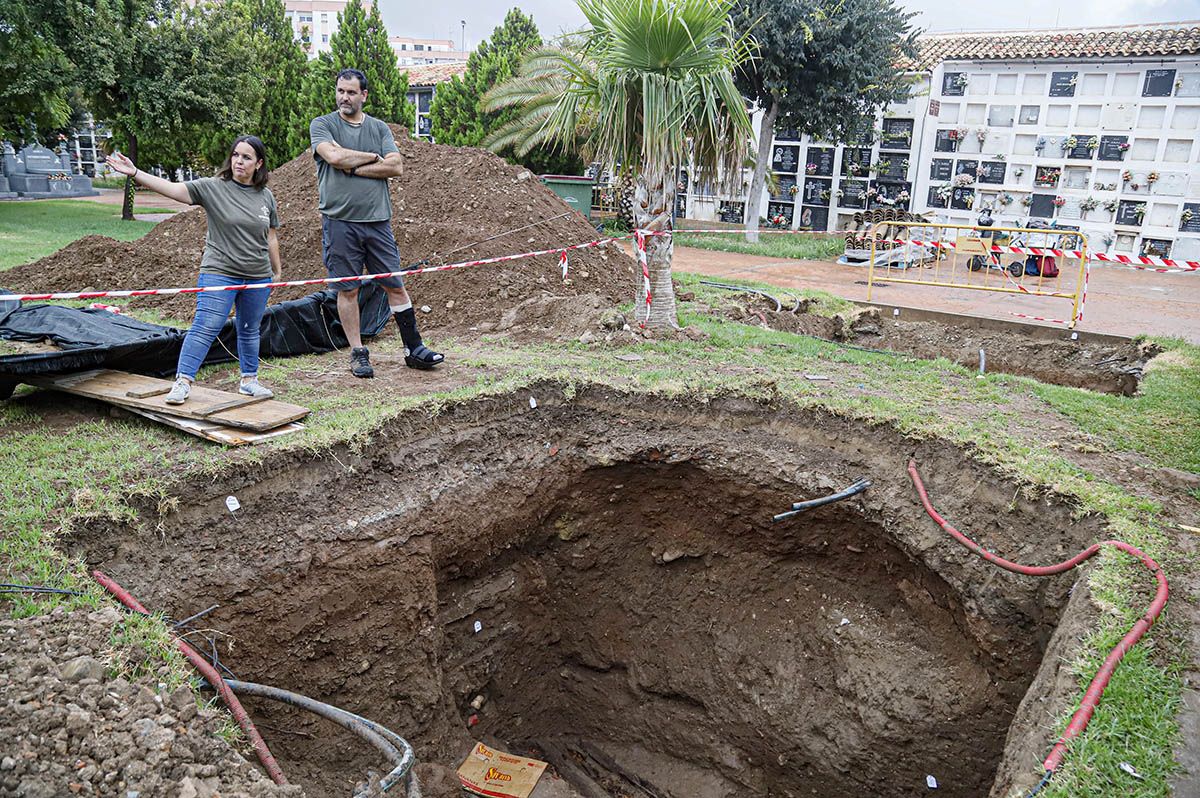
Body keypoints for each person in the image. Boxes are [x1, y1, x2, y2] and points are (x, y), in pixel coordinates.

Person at [105, 136, 281, 404]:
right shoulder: (213, 187)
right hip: (220, 271)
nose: (239, 161)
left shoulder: (265, 196)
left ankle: (249, 381)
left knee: (249, 328)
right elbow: (173, 189)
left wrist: (276, 271)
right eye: (235, 155)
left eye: (246, 157)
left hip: (258, 274)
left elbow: (270, 237)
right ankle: (183, 381)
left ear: (259, 164)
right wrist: (136, 173)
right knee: (206, 326)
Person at [309, 67, 443, 378]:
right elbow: (334, 158)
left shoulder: (379, 128)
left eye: (351, 92)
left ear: (363, 95)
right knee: (349, 290)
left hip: (378, 222)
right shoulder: (323, 125)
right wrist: (372, 158)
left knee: (394, 284)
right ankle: (358, 353)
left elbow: (395, 166)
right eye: (340, 91)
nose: (344, 97)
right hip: (340, 222)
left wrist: (354, 167)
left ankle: (414, 348)